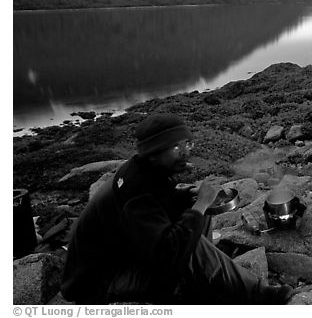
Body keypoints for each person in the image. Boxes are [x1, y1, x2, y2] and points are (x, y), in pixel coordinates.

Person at [61, 113, 292, 304]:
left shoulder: (148, 171)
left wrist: (187, 196)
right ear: (153, 153)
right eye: (175, 147)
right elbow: (167, 252)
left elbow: (159, 205)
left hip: (126, 253)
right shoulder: (138, 192)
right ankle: (262, 296)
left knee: (194, 219)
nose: (185, 152)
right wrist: (200, 204)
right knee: (190, 242)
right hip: (99, 282)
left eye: (187, 144)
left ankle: (204, 279)